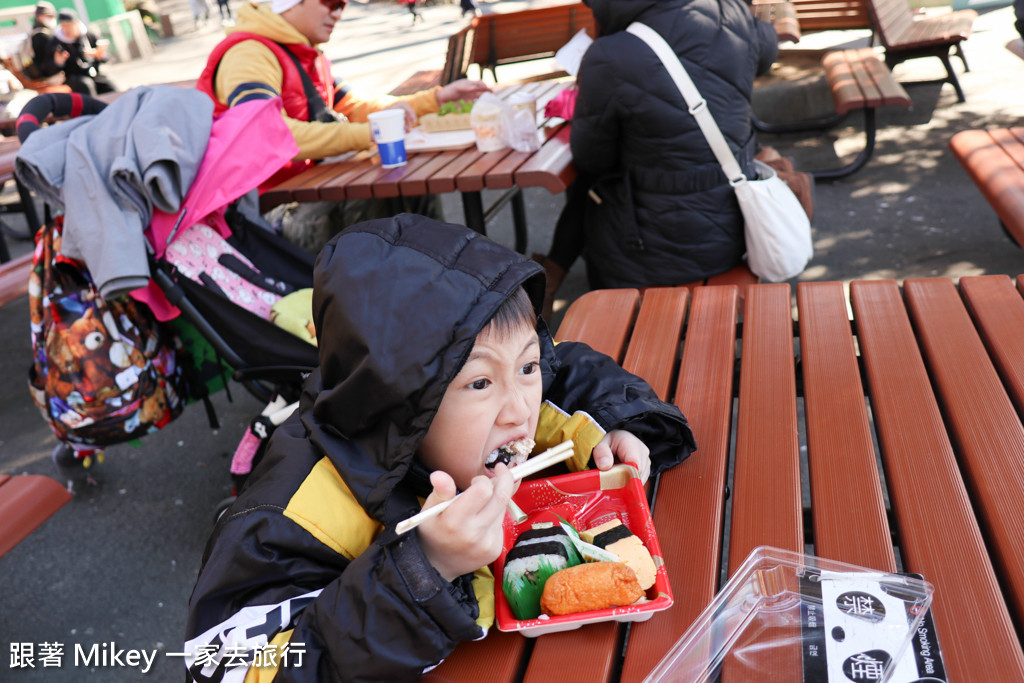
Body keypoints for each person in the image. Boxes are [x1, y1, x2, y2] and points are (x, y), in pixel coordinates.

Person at [183, 214, 696, 682]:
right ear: (403, 404)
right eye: (479, 385)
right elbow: (228, 667)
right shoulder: (294, 512)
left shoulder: (494, 393)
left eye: (525, 368)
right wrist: (425, 570)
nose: (518, 408)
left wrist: (609, 426)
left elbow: (566, 368)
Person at [196, 0, 490, 253]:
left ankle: (441, 277)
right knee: (378, 193)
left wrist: (436, 98)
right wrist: (370, 135)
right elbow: (269, 135)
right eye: (331, 2)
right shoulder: (248, 55)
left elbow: (353, 106)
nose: (338, 12)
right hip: (266, 214)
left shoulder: (305, 52)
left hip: (308, 190)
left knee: (405, 179)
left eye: (343, 5)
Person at [533, 0, 778, 298]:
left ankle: (553, 276)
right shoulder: (731, 11)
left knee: (591, 190)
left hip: (649, 256)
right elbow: (767, 52)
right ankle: (553, 273)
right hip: (736, 231)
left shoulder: (610, 54)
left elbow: (591, 158)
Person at [49, 9, 117, 96]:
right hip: (73, 77)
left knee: (111, 88)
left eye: (69, 25)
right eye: (63, 26)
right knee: (86, 85)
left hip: (93, 73)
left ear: (76, 23)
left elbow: (106, 57)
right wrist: (57, 62)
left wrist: (99, 55)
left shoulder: (88, 35)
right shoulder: (56, 42)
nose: (66, 30)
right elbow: (47, 67)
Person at [20, 1, 60, 81]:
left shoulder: (43, 32)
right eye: (47, 16)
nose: (51, 18)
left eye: (52, 16)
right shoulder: (40, 36)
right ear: (38, 17)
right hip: (45, 74)